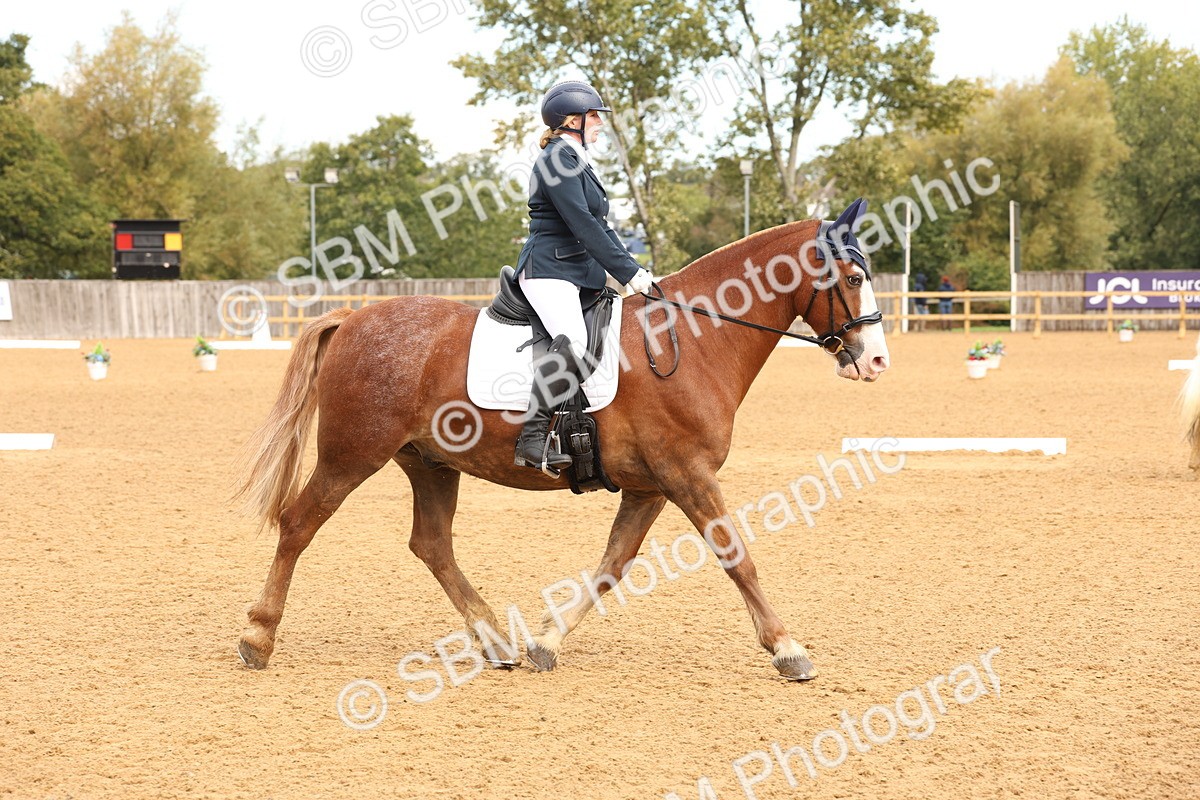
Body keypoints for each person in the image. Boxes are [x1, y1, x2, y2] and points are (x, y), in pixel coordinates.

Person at [513, 80, 654, 472]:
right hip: (549, 270)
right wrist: (628, 273)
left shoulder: (576, 158)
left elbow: (600, 224)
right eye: (594, 116)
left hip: (578, 273)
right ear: (571, 120)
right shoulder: (557, 159)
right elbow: (583, 226)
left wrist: (636, 271)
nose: (599, 124)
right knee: (573, 341)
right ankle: (533, 438)